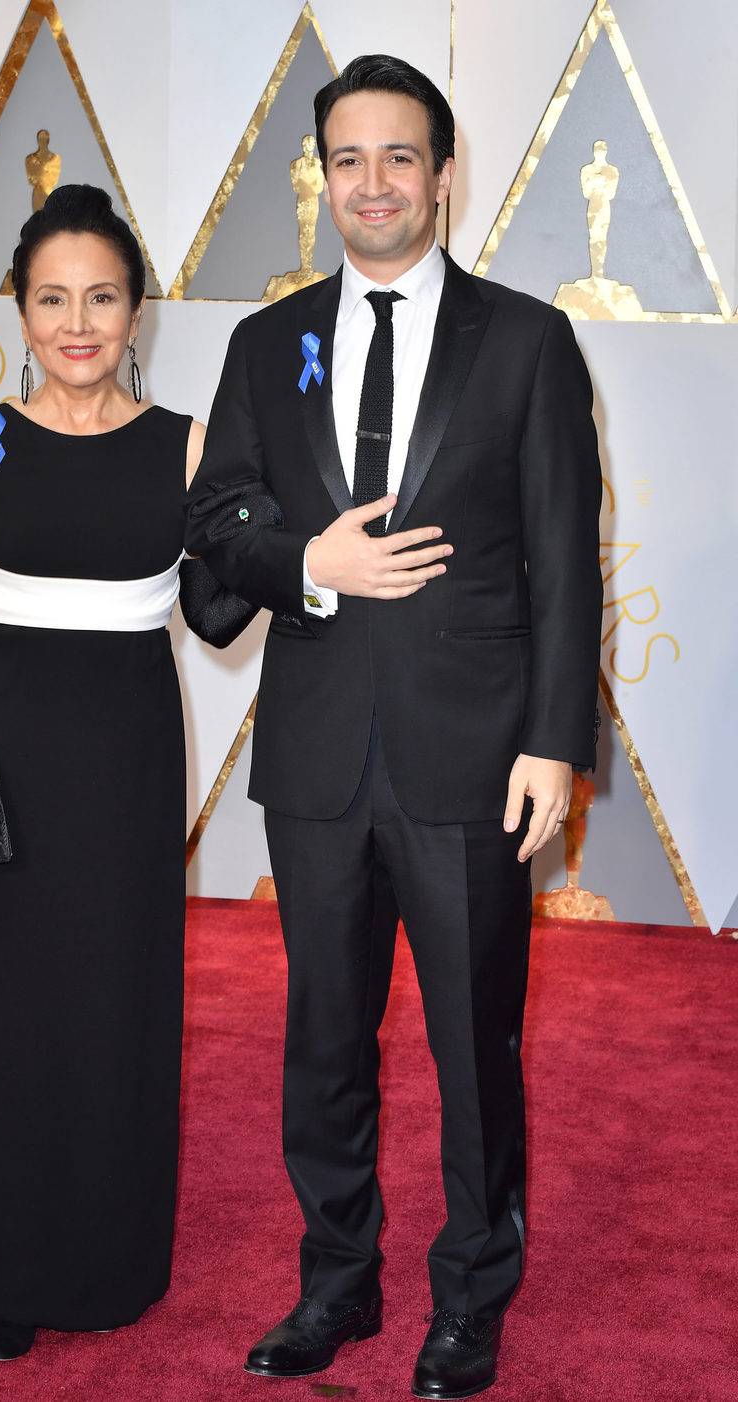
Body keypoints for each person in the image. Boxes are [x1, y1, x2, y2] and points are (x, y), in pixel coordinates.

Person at [186, 55, 602, 1400]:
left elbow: (562, 557)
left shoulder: (530, 340)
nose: (374, 184)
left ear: (442, 171)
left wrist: (555, 740)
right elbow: (215, 538)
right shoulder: (266, 342)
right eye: (347, 160)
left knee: (476, 1042)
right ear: (322, 178)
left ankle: (473, 1291)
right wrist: (313, 561)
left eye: (400, 157)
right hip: (314, 755)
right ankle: (337, 1281)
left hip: (474, 756)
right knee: (323, 1039)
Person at [0, 184, 257, 1362]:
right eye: (51, 299)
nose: (76, 322)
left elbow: (214, 617)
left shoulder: (186, 444)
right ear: (20, 311)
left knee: (120, 999)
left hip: (127, 752)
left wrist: (278, 548)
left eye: (101, 296)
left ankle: (109, 1258)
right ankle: (1, 1265)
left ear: (137, 309)